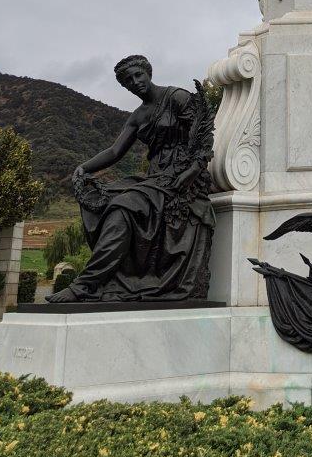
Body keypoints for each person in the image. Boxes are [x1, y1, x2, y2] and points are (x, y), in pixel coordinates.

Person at [47, 55, 215, 303]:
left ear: (148, 72)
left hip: (182, 180)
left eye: (138, 75)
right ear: (124, 86)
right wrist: (83, 167)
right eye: (128, 80)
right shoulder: (138, 116)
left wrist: (190, 172)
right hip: (156, 179)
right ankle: (100, 282)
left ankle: (84, 285)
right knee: (106, 200)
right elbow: (115, 152)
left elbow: (204, 136)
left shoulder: (177, 97)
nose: (135, 82)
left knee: (122, 208)